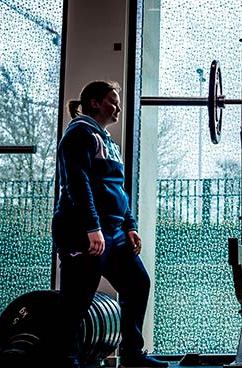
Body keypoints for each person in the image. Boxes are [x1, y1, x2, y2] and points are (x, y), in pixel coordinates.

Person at [51, 81, 167, 368]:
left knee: (138, 284)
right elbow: (78, 185)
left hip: (114, 232)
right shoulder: (78, 135)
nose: (117, 108)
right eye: (112, 101)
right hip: (82, 230)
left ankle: (131, 354)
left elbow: (117, 188)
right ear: (94, 103)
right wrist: (92, 227)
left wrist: (130, 225)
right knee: (77, 300)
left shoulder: (108, 142)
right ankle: (65, 360)